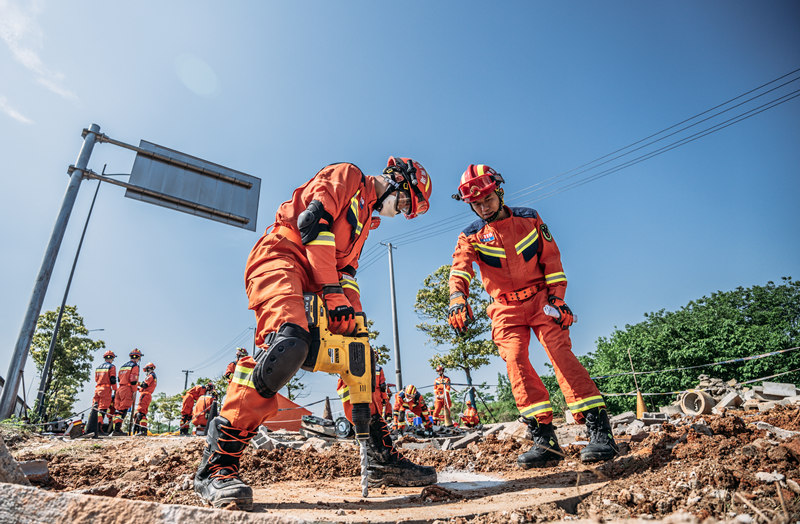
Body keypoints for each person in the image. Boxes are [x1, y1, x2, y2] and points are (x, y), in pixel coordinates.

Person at [194, 157, 435, 510]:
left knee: (360, 355)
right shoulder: (348, 176)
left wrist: (351, 315)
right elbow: (313, 223)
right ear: (397, 180)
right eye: (404, 202)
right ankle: (217, 466)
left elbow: (347, 270)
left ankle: (379, 455)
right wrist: (332, 291)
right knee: (287, 345)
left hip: (319, 276)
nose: (400, 211)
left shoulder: (367, 220)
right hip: (281, 256)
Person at [447, 164, 618, 469]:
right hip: (504, 308)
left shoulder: (530, 218)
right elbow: (460, 269)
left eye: (487, 199)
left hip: (542, 300)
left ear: (499, 192)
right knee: (514, 361)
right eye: (476, 203)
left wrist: (558, 300)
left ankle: (599, 430)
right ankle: (544, 440)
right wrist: (457, 298)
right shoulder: (470, 236)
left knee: (559, 354)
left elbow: (552, 261)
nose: (483, 207)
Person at [112, 348, 142, 435]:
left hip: (120, 388)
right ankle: (117, 430)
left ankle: (116, 429)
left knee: (118, 410)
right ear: (138, 358)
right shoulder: (135, 366)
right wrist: (133, 391)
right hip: (127, 389)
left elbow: (118, 379)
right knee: (123, 409)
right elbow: (133, 380)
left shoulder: (123, 366)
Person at [92, 350, 118, 434]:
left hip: (97, 388)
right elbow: (112, 379)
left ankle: (93, 427)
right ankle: (99, 429)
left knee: (96, 408)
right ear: (112, 358)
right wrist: (115, 389)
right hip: (105, 389)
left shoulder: (98, 367)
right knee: (102, 409)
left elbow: (96, 379)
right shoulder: (111, 367)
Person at [134, 362, 157, 435]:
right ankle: (139, 429)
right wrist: (137, 388)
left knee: (141, 413)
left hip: (145, 395)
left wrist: (136, 382)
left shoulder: (151, 376)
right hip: (146, 395)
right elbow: (143, 387)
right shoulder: (153, 376)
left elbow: (145, 385)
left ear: (148, 369)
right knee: (139, 413)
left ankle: (143, 431)